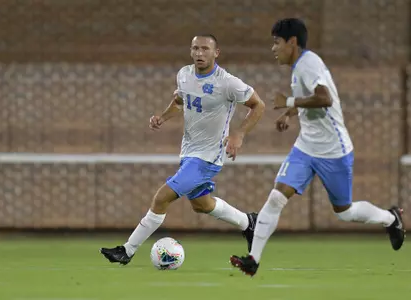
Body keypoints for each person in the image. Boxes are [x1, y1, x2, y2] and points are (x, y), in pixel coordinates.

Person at [230, 18, 405, 277]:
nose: (273, 48)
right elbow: (310, 97)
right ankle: (253, 259)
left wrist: (287, 101)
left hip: (334, 151)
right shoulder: (301, 66)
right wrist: (290, 113)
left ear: (292, 42)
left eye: (277, 42)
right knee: (277, 196)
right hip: (306, 147)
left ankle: (391, 219)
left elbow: (325, 98)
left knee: (344, 213)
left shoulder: (308, 64)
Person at [100, 34, 266, 266]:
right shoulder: (184, 75)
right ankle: (249, 223)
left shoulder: (228, 82)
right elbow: (180, 101)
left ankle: (126, 251)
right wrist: (162, 117)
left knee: (161, 198)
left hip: (208, 156)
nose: (200, 53)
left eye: (205, 49)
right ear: (190, 51)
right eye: (195, 48)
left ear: (216, 53)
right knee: (202, 205)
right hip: (189, 152)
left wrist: (239, 134)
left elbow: (258, 105)